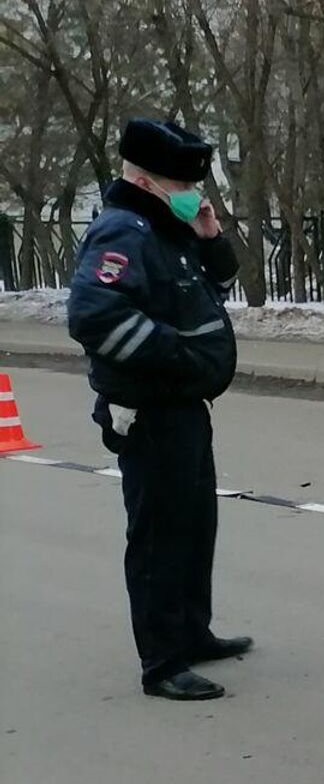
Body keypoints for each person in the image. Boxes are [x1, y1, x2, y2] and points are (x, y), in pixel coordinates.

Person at [67, 119, 250, 701]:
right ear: (145, 180)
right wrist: (178, 358)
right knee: (158, 536)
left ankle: (192, 633)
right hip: (149, 409)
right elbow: (95, 314)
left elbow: (218, 282)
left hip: (184, 406)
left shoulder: (167, 227)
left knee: (195, 526)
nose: (193, 191)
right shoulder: (123, 231)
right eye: (181, 182)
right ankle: (162, 661)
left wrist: (208, 232)